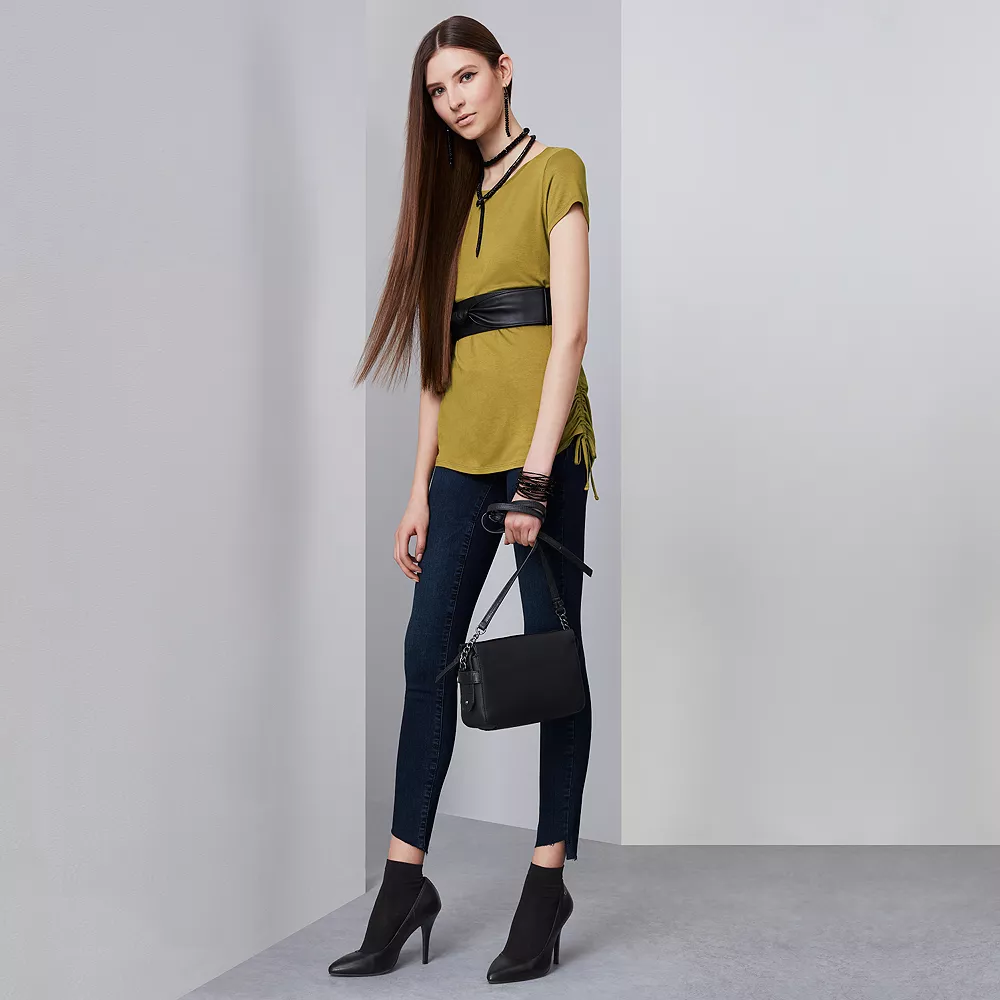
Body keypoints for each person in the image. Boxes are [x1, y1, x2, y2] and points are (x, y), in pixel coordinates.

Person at [328, 14, 598, 984]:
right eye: (437, 92)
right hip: (459, 463)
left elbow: (569, 335)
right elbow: (439, 364)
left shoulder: (557, 170)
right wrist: (417, 489)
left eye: (466, 78)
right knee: (424, 661)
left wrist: (535, 477)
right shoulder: (444, 209)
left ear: (503, 71)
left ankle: (546, 882)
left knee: (550, 657)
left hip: (540, 454)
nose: (454, 101)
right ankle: (404, 886)